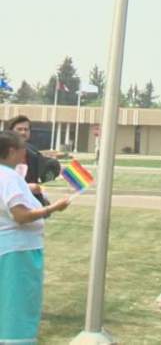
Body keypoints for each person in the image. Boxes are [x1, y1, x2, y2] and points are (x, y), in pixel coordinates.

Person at [0, 130, 70, 344]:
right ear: (12, 151)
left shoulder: (8, 175)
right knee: (18, 305)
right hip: (18, 252)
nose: (25, 153)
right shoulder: (9, 178)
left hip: (11, 249)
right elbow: (20, 215)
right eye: (23, 148)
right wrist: (53, 208)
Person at [4, 117, 59, 206]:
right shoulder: (2, 151)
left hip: (28, 204)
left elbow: (44, 172)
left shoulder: (33, 152)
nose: (23, 132)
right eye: (19, 129)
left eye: (26, 129)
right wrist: (26, 188)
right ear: (11, 131)